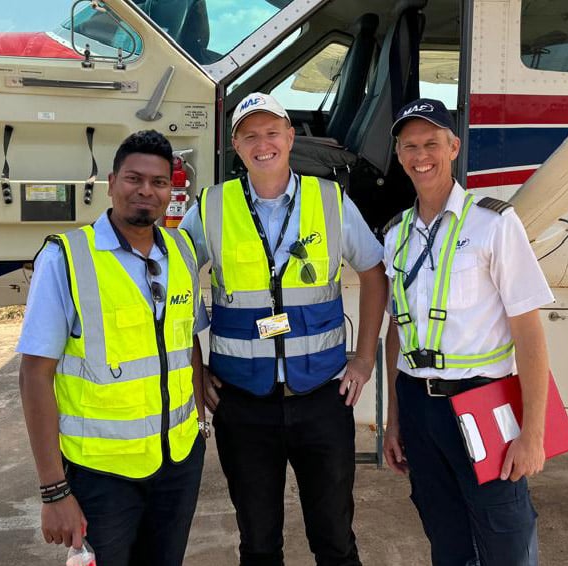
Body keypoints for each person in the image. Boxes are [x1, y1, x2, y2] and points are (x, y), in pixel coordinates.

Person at [179, 92, 387, 566]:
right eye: (250, 135)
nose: (263, 144)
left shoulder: (329, 200)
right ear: (235, 145)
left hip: (322, 398)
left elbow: (374, 272)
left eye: (272, 132)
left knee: (335, 541)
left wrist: (364, 359)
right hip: (243, 404)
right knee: (258, 544)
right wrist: (196, 370)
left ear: (291, 137)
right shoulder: (212, 207)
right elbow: (175, 284)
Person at [17, 130, 210, 566]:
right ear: (111, 183)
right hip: (101, 475)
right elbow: (34, 375)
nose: (146, 191)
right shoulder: (67, 257)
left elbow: (188, 341)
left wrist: (199, 423)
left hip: (178, 461)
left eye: (159, 182)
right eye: (133, 178)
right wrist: (54, 490)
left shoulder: (181, 251)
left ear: (171, 191)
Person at [380, 99, 555, 566]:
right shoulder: (395, 235)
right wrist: (394, 421)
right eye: (410, 146)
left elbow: (529, 332)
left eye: (432, 144)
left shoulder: (493, 223)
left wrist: (533, 434)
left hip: (483, 400)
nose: (421, 156)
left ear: (453, 147)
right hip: (418, 405)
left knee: (505, 536)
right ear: (398, 155)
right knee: (445, 535)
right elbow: (397, 333)